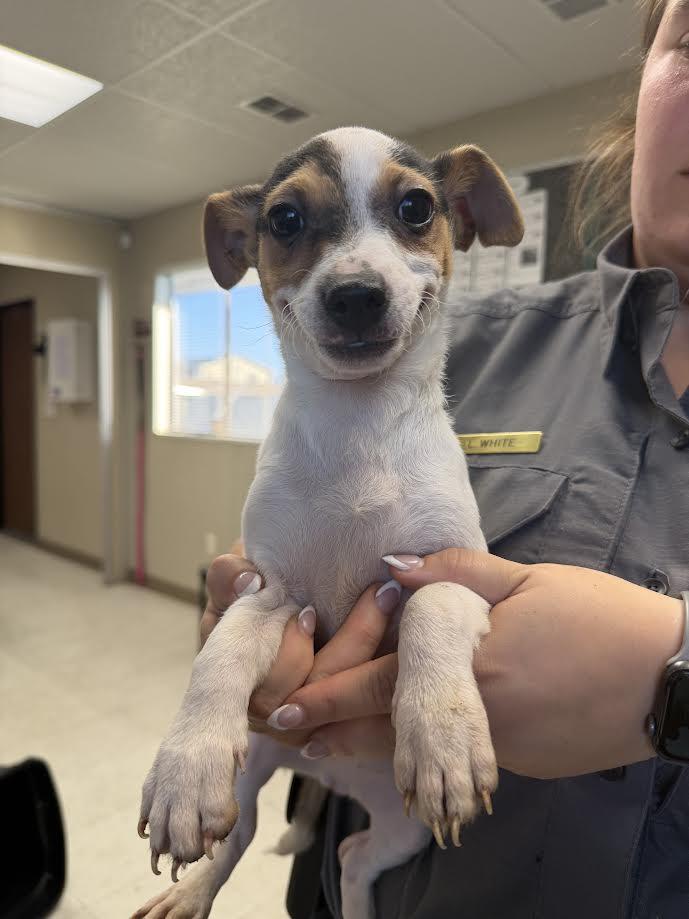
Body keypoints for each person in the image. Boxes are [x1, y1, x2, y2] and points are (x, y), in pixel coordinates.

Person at [202, 0, 689, 914]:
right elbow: (281, 617)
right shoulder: (457, 344)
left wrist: (674, 675)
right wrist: (248, 660)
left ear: (452, 216)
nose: (355, 276)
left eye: (410, 211)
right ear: (644, 77)